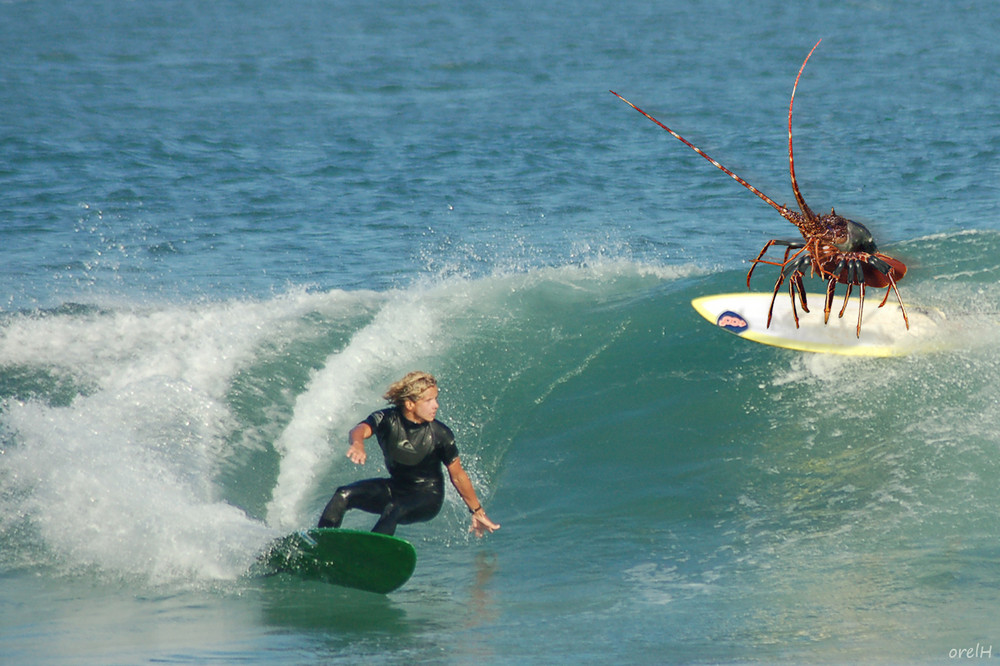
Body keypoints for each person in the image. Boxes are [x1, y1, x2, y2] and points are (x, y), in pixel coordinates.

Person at [318, 371, 500, 538]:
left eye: (436, 399)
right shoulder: (387, 419)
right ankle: (319, 544)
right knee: (343, 494)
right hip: (396, 488)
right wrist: (358, 444)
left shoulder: (440, 434)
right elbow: (360, 429)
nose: (435, 405)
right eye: (429, 400)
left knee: (394, 508)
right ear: (410, 404)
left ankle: (372, 556)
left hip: (427, 497)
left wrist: (477, 511)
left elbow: (458, 476)